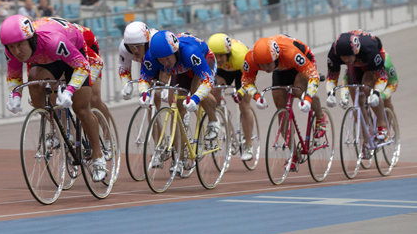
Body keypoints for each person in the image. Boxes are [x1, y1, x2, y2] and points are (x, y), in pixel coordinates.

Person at [0, 15, 107, 181]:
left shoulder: (52, 41)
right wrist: (14, 95)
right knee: (34, 78)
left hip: (74, 54)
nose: (17, 51)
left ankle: (98, 157)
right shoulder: (12, 52)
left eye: (20, 45)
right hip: (47, 60)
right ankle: (58, 126)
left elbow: (82, 66)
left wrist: (70, 90)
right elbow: (14, 74)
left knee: (81, 108)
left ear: (31, 39)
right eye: (11, 47)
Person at [237, 34, 327, 171]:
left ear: (275, 57)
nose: (266, 68)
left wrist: (308, 99)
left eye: (268, 64)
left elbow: (313, 76)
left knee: (299, 91)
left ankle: (320, 117)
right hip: (280, 69)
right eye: (261, 65)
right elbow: (246, 81)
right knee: (281, 111)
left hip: (301, 62)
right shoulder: (251, 58)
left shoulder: (290, 52)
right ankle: (294, 155)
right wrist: (256, 97)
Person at [139, 31, 221, 173]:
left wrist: (195, 98)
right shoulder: (152, 57)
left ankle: (214, 120)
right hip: (182, 68)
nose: (164, 63)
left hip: (204, 59)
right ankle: (181, 158)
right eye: (160, 60)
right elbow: (144, 79)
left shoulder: (190, 51)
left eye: (166, 58)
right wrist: (144, 94)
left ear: (175, 51)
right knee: (178, 108)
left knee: (195, 90)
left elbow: (208, 81)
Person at [325, 30, 389, 149]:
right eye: (343, 57)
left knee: (367, 86)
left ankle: (382, 125)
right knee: (356, 101)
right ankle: (366, 139)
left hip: (371, 62)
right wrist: (331, 94)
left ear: (356, 50)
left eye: (349, 56)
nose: (346, 60)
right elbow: (332, 77)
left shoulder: (370, 50)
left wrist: (375, 93)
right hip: (355, 67)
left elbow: (382, 77)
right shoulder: (334, 54)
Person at [208, 33, 254, 161]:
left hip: (242, 71)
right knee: (213, 92)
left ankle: (248, 145)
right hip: (223, 72)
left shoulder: (240, 56)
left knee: (244, 105)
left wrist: (240, 93)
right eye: (215, 56)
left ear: (227, 53)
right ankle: (221, 115)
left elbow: (248, 80)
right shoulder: (210, 58)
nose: (218, 59)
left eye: (221, 55)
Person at [118, 21, 161, 101]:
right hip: (146, 61)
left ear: (146, 43)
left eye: (138, 46)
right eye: (131, 47)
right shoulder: (123, 48)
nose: (135, 51)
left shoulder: (155, 43)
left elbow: (168, 65)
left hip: (158, 60)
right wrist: (127, 85)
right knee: (144, 94)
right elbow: (123, 67)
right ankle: (153, 112)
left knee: (158, 92)